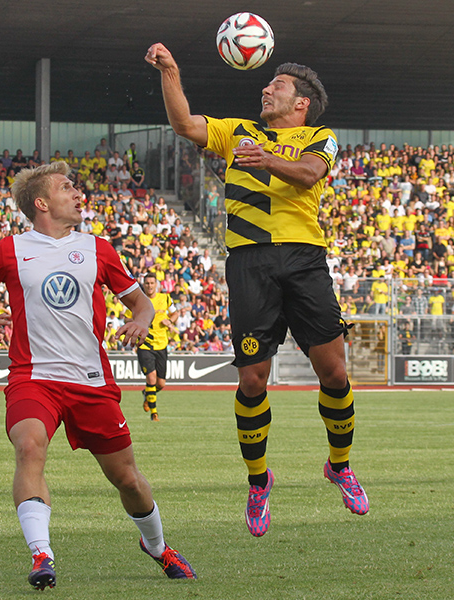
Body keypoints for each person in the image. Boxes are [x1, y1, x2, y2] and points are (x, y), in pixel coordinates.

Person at [146, 43, 368, 538]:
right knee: (252, 382)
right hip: (249, 264)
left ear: (300, 103)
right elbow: (184, 124)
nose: (266, 89)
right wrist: (171, 73)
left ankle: (339, 465)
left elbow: (311, 174)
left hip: (305, 259)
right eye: (267, 85)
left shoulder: (321, 137)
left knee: (333, 371)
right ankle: (258, 480)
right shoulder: (237, 132)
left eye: (278, 86)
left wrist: (267, 159)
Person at [0, 161, 195, 590]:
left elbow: (142, 303)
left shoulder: (99, 249)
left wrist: (140, 320)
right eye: (67, 188)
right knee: (29, 447)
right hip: (33, 377)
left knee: (128, 479)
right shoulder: (10, 250)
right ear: (42, 203)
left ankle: (156, 546)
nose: (78, 193)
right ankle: (42, 554)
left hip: (91, 381)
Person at [125, 272, 178, 421]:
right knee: (152, 377)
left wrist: (170, 321)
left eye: (152, 283)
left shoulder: (165, 298)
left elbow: (175, 314)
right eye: (147, 283)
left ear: (156, 284)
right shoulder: (139, 300)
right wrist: (136, 321)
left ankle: (146, 394)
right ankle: (154, 414)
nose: (149, 286)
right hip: (145, 344)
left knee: (160, 384)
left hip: (162, 345)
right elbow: (126, 316)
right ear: (143, 284)